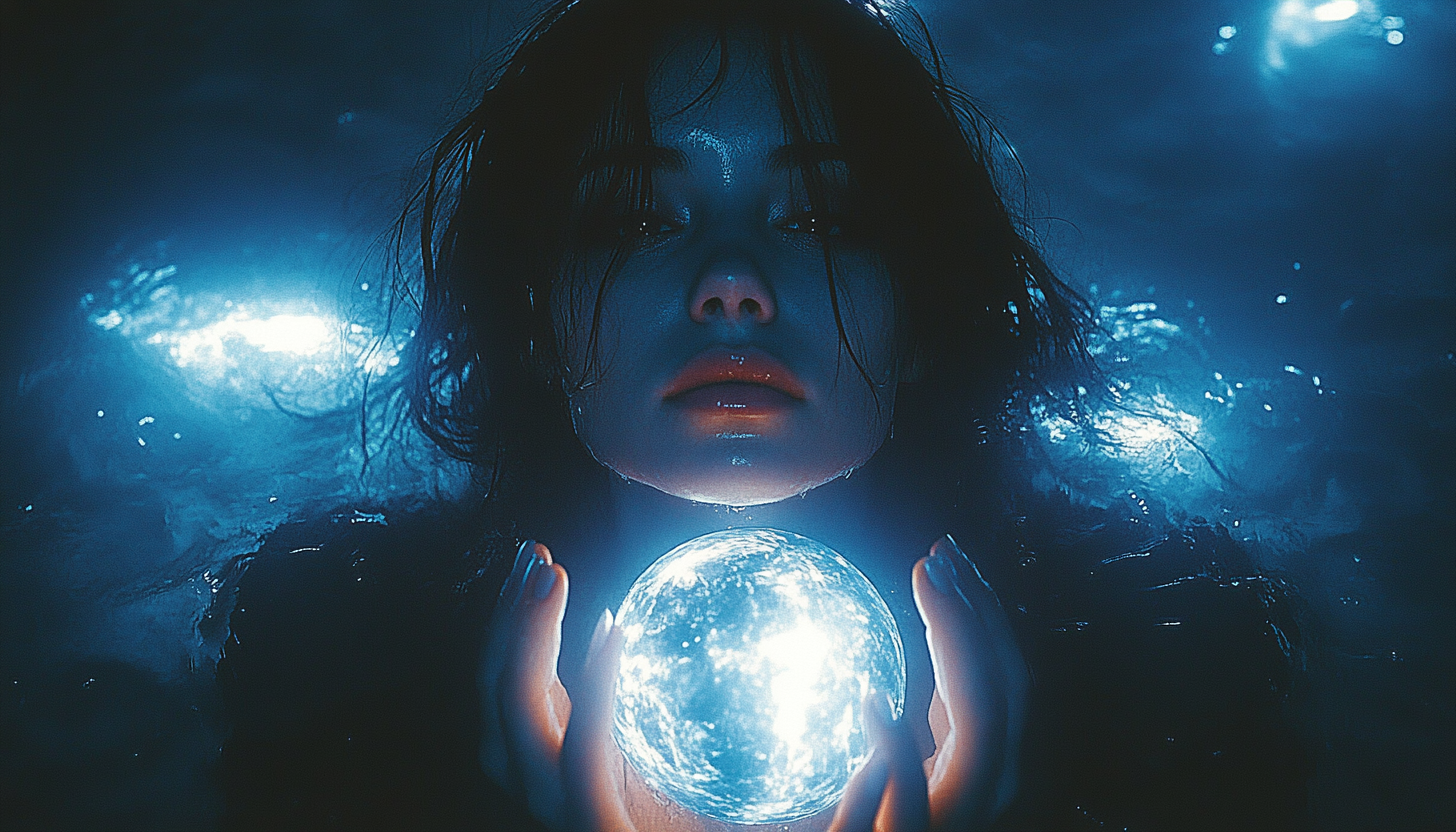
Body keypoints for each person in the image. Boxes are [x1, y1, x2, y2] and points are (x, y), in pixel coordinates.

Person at [216, 1, 1309, 829]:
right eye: (639, 213)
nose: (731, 280)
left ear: (921, 308)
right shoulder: (342, 653)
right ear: (534, 312)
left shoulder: (1158, 647)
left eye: (823, 214)